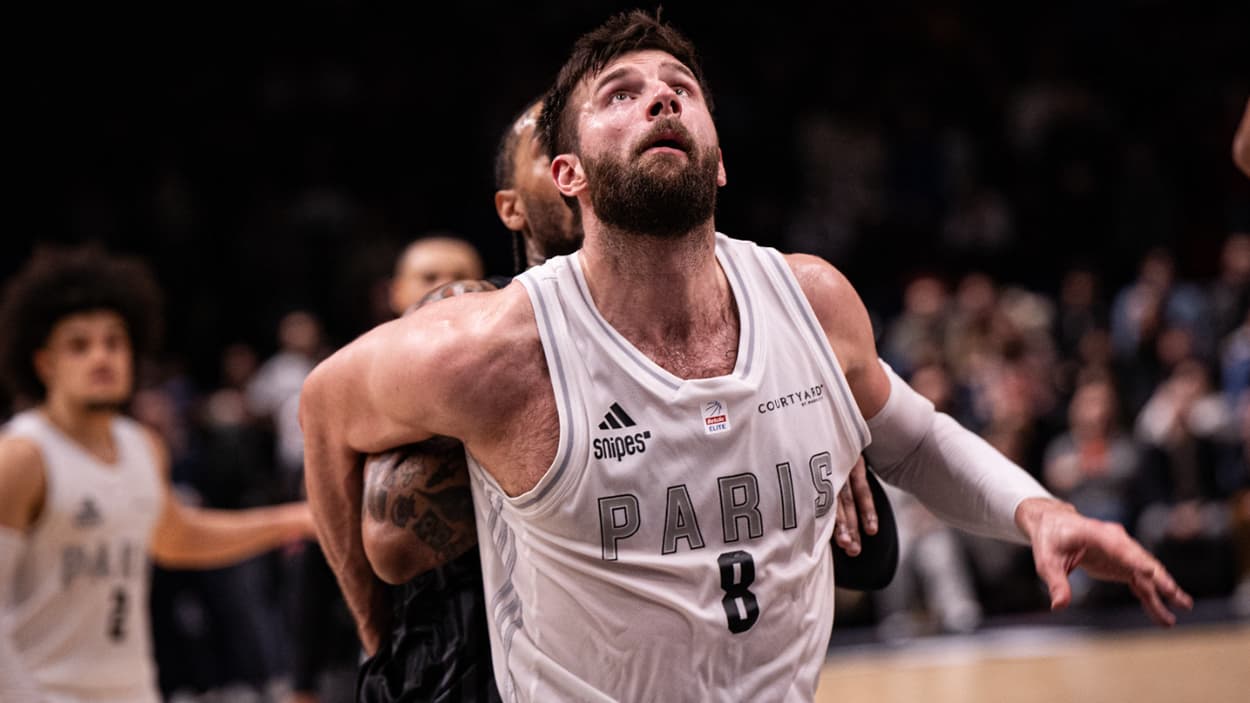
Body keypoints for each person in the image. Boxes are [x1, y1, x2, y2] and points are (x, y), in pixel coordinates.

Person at [301, 12, 1192, 696]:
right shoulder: (498, 351)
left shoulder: (810, 301)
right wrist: (376, 637)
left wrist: (1037, 511)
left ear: (719, 159)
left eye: (679, 87)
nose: (659, 97)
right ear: (567, 175)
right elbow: (323, 409)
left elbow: (914, 440)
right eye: (620, 93)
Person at [0, 245, 316, 702]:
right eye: (79, 345)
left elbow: (175, 537)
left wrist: (297, 519)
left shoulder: (142, 446)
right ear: (44, 363)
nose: (101, 356)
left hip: (135, 689)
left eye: (114, 341)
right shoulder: (22, 457)